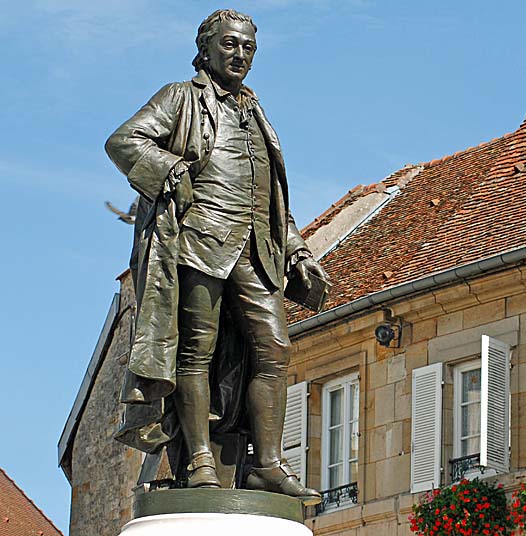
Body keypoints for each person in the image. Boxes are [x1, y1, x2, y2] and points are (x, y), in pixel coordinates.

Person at [105, 9, 325, 504]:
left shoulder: (254, 112)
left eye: (248, 46)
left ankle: (266, 463)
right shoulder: (180, 98)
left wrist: (298, 251)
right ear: (205, 49)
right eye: (230, 45)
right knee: (194, 353)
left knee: (274, 350)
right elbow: (123, 140)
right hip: (199, 243)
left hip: (256, 250)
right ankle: (200, 456)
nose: (240, 54)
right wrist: (170, 169)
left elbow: (271, 200)